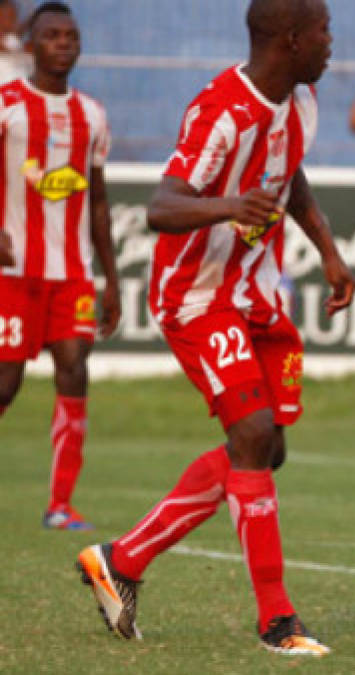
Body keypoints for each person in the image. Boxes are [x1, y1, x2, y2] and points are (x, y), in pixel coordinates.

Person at [75, 0, 355, 656]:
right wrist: (230, 203)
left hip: (256, 294)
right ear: (290, 39)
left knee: (264, 451)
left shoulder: (300, 98)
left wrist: (329, 250)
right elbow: (160, 207)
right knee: (253, 435)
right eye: (323, 31)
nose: (331, 43)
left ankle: (122, 558)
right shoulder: (220, 111)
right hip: (198, 298)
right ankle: (278, 620)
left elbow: (293, 176)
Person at [0, 1, 120, 531]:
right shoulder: (5, 105)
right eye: (52, 35)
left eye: (71, 35)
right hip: (12, 272)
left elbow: (97, 201)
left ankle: (60, 504)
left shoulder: (92, 115)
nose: (64, 43)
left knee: (74, 368)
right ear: (30, 45)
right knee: (6, 383)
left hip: (71, 270)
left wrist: (111, 278)